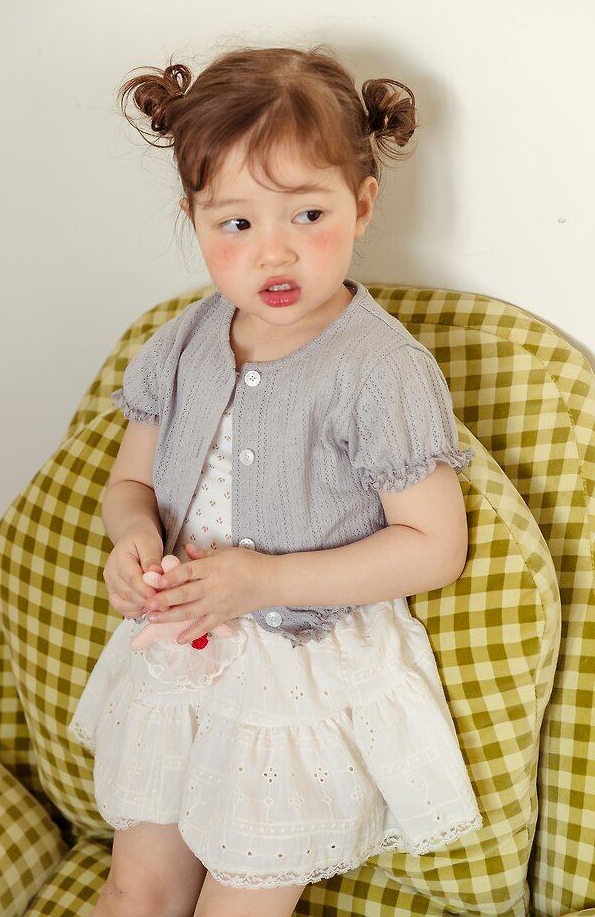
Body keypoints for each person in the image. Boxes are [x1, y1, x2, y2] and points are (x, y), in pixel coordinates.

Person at [68, 44, 483, 917]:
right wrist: (132, 540)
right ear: (193, 217)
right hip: (184, 653)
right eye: (237, 224)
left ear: (362, 204)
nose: (275, 253)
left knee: (240, 902)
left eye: (308, 214)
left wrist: (265, 582)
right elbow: (128, 487)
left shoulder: (380, 370)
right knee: (135, 887)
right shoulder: (183, 340)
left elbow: (434, 546)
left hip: (297, 672)